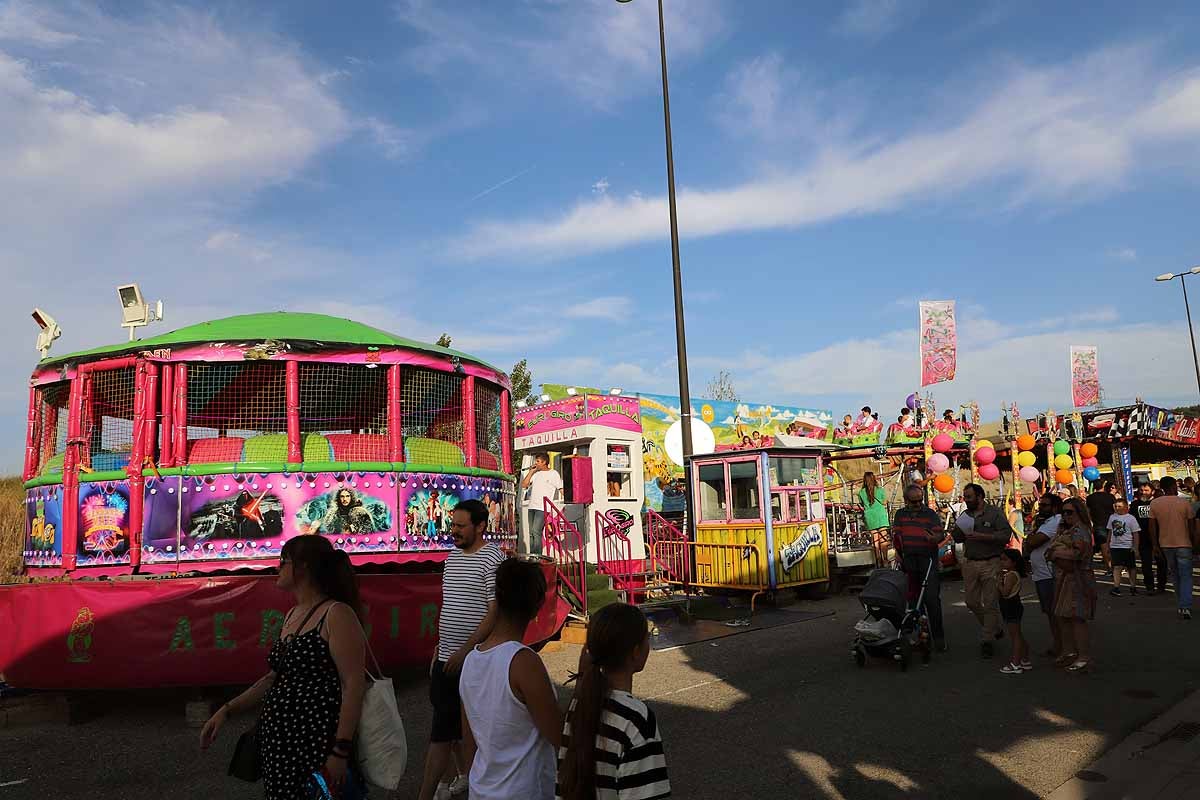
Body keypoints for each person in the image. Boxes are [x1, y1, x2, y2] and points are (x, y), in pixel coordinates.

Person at [200, 535, 367, 800]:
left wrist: (340, 751)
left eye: (283, 561)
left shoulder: (337, 614)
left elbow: (354, 685)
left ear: (304, 567)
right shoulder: (293, 614)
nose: (277, 567)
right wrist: (227, 710)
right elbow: (273, 677)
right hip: (279, 746)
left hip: (315, 744)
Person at [420, 499, 510, 800]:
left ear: (480, 526)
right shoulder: (452, 557)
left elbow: (493, 611)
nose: (454, 531)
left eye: (460, 526)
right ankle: (460, 777)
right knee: (449, 723)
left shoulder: (491, 559)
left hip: (471, 660)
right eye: (453, 525)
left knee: (447, 730)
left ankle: (433, 791)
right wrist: (441, 647)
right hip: (446, 656)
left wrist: (465, 650)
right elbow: (451, 605)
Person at [460, 559, 561, 799]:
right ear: (537, 606)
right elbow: (558, 733)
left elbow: (469, 744)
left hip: (482, 789)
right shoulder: (522, 662)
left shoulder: (471, 661)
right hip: (521, 791)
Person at [556, 603, 670, 800]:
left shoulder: (578, 705)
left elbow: (563, 779)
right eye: (647, 638)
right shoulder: (636, 718)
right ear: (636, 651)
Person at [951, 483, 1013, 659]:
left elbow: (1005, 535)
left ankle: (987, 640)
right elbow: (957, 536)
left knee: (991, 602)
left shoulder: (995, 513)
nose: (966, 500)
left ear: (980, 497)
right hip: (971, 563)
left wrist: (984, 536)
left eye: (969, 496)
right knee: (971, 601)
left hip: (991, 562)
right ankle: (995, 628)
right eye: (965, 496)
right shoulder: (965, 514)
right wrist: (957, 528)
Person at [891, 484, 946, 651]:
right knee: (913, 600)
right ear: (906, 500)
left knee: (931, 599)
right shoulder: (900, 514)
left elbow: (940, 534)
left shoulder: (929, 514)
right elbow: (897, 535)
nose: (918, 504)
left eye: (920, 500)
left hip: (927, 559)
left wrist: (934, 539)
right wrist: (898, 552)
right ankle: (920, 635)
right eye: (914, 501)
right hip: (908, 559)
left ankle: (939, 638)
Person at [1047, 498, 1098, 673]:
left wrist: (1056, 553)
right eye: (1064, 512)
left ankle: (1083, 656)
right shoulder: (1066, 529)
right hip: (1064, 577)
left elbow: (1078, 554)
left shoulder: (1080, 530)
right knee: (1063, 616)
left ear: (1079, 512)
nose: (1066, 515)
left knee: (1077, 618)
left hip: (1078, 577)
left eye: (1070, 512)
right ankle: (1070, 651)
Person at [1149, 476, 1196, 621]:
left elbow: (1152, 527)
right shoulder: (1184, 503)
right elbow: (1192, 526)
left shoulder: (1155, 504)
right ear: (1173, 487)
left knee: (1175, 574)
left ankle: (1181, 604)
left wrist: (1155, 545)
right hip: (1184, 543)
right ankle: (1186, 605)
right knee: (1186, 575)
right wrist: (1194, 543)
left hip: (1165, 544)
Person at [1023, 494, 1064, 658]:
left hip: (1049, 574)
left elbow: (1032, 542)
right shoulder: (1046, 522)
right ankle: (1059, 644)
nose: (1041, 508)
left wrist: (1030, 538)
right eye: (1041, 505)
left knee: (1055, 613)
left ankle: (1062, 646)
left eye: (1045, 505)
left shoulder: (1055, 521)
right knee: (1050, 613)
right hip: (1042, 573)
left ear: (1054, 507)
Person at [522, 453, 562, 557]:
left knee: (536, 531)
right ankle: (532, 555)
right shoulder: (536, 474)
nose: (536, 463)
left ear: (544, 462)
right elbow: (524, 485)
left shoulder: (553, 474)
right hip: (532, 506)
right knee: (531, 533)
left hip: (543, 507)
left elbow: (561, 489)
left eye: (538, 461)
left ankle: (537, 556)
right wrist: (531, 471)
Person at [997, 549, 1030, 674]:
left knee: (1015, 636)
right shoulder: (1011, 574)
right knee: (1018, 634)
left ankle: (1015, 663)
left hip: (1011, 605)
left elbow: (1005, 592)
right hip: (1011, 606)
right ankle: (1025, 659)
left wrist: (999, 582)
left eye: (1005, 560)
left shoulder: (1011, 575)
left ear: (1014, 562)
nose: (1002, 562)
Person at [1131, 483, 1166, 595]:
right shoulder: (1135, 504)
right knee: (1146, 564)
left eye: (1146, 490)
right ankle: (1149, 586)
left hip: (1158, 537)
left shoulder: (1157, 504)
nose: (1143, 492)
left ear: (1152, 491)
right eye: (1141, 490)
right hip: (1142, 537)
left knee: (1161, 562)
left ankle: (1161, 585)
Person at [1103, 497, 1141, 596]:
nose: (1117, 508)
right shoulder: (1112, 517)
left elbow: (1135, 533)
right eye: (1116, 506)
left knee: (1131, 567)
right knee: (1117, 567)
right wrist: (1107, 545)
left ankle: (1133, 586)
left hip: (1128, 546)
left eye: (1120, 506)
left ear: (1126, 507)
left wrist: (1135, 547)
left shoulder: (1131, 518)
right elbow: (1110, 531)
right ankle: (1116, 587)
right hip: (1115, 546)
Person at [308, 487, 374, 534]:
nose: (345, 499)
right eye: (342, 496)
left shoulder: (360, 512)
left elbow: (367, 530)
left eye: (347, 496)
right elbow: (329, 530)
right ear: (338, 498)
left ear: (352, 497)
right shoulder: (333, 513)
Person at [858, 472, 890, 568]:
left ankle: (877, 560)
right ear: (874, 479)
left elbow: (861, 504)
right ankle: (885, 560)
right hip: (880, 515)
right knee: (883, 539)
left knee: (875, 539)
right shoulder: (880, 490)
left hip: (870, 516)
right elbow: (884, 502)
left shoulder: (861, 492)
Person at [1086, 480, 1116, 552]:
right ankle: (1111, 559)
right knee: (1112, 542)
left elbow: (1088, 512)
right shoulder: (1110, 496)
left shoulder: (1090, 498)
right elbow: (1115, 509)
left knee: (1103, 543)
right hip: (1111, 522)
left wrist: (1090, 523)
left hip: (1098, 523)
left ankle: (1106, 561)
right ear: (1103, 486)